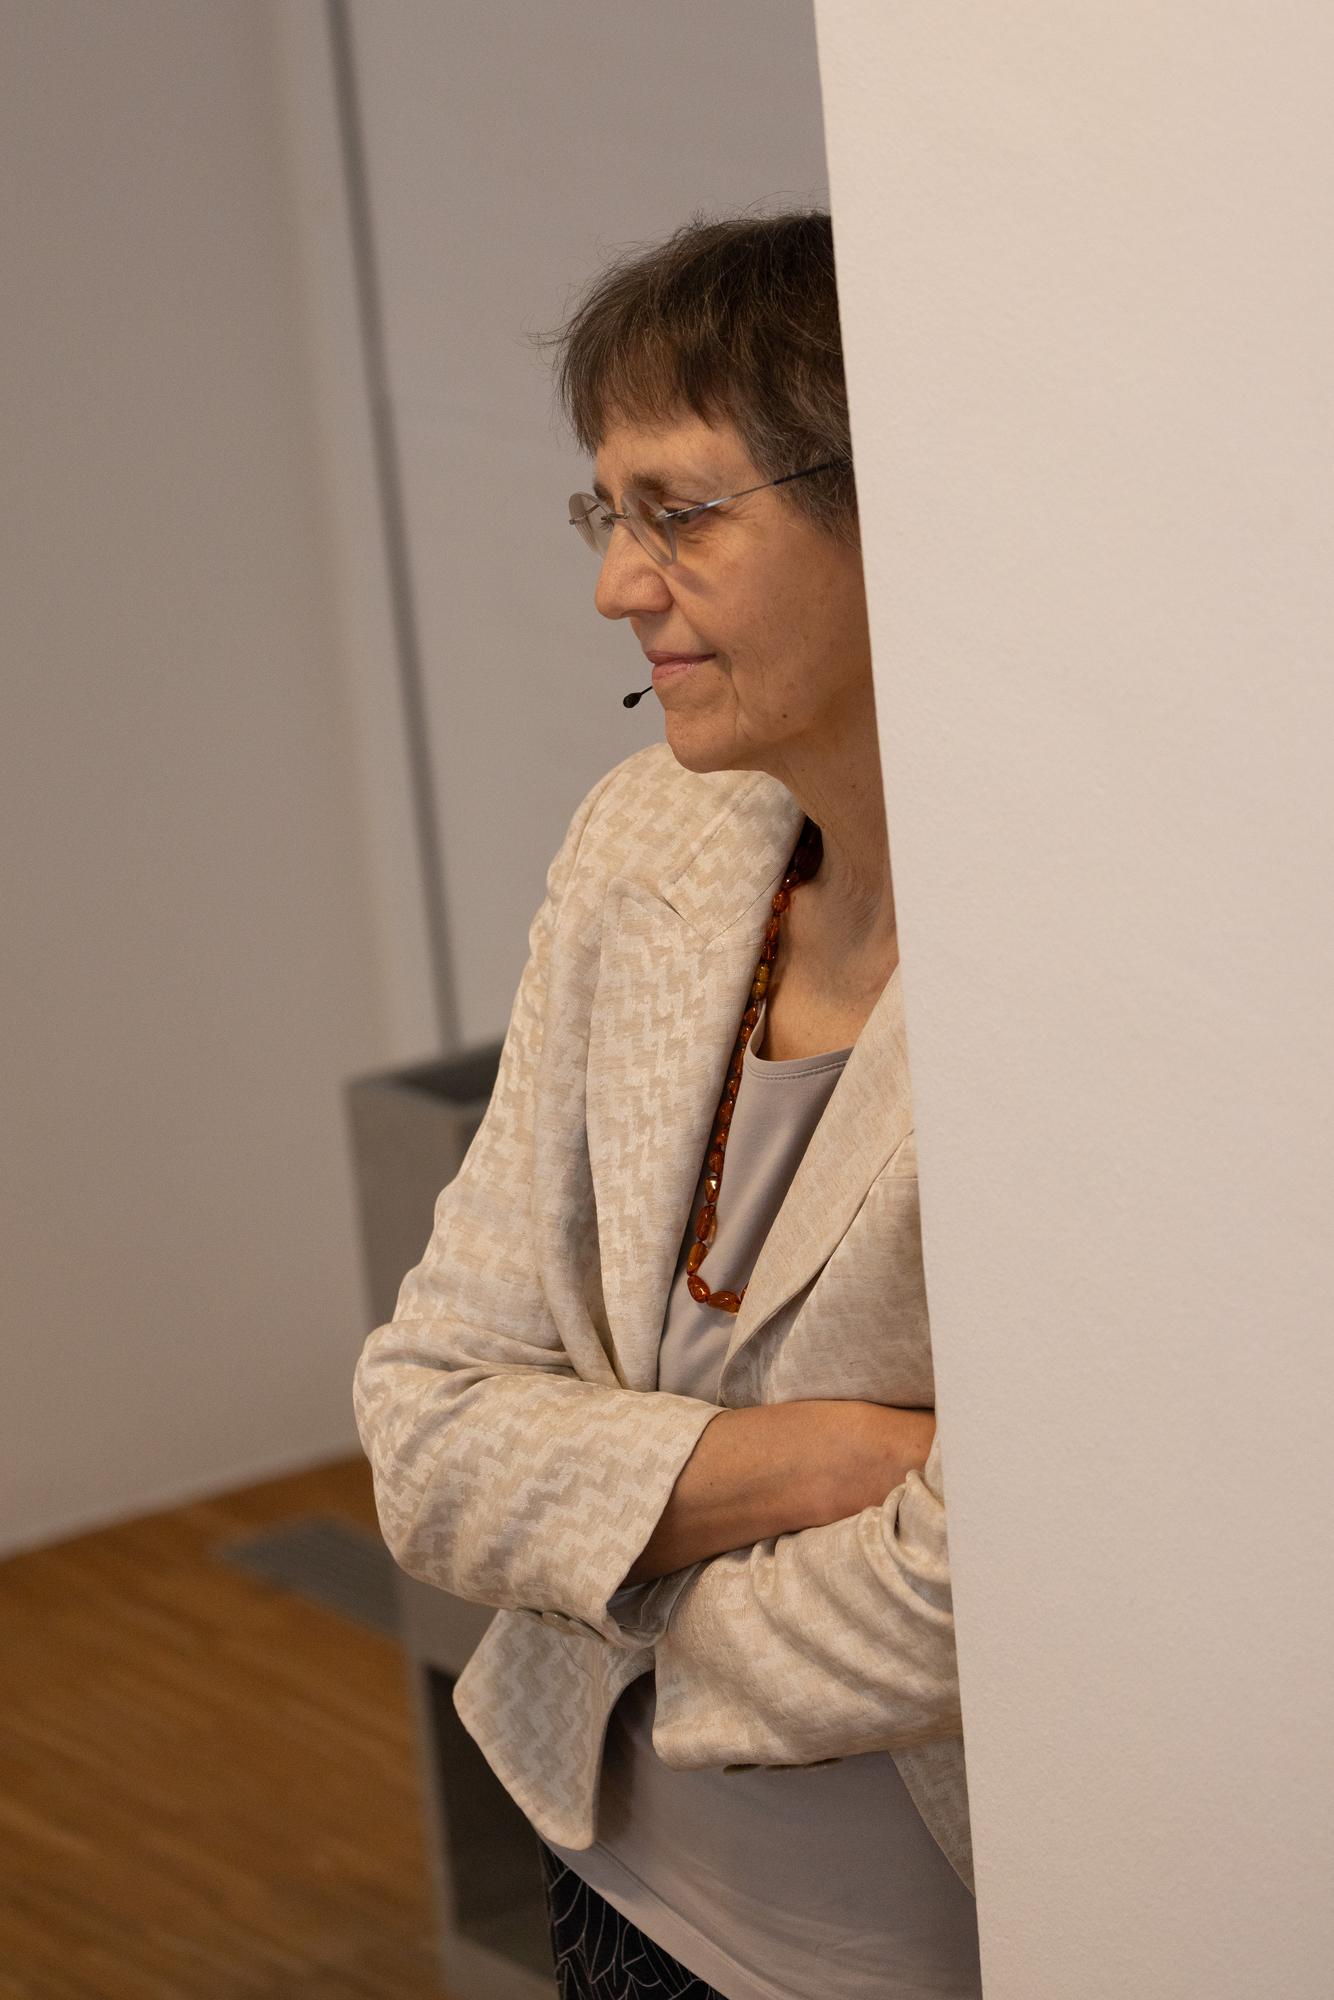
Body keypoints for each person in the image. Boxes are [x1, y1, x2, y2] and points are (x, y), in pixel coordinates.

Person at [353, 210, 981, 2000]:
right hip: (613, 1869)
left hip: (950, 1937)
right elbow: (427, 1427)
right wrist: (834, 1463)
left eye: (679, 513)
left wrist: (609, 1596)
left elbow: (992, 1587)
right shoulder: (654, 832)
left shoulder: (1078, 988)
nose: (618, 587)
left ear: (901, 511)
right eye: (604, 514)